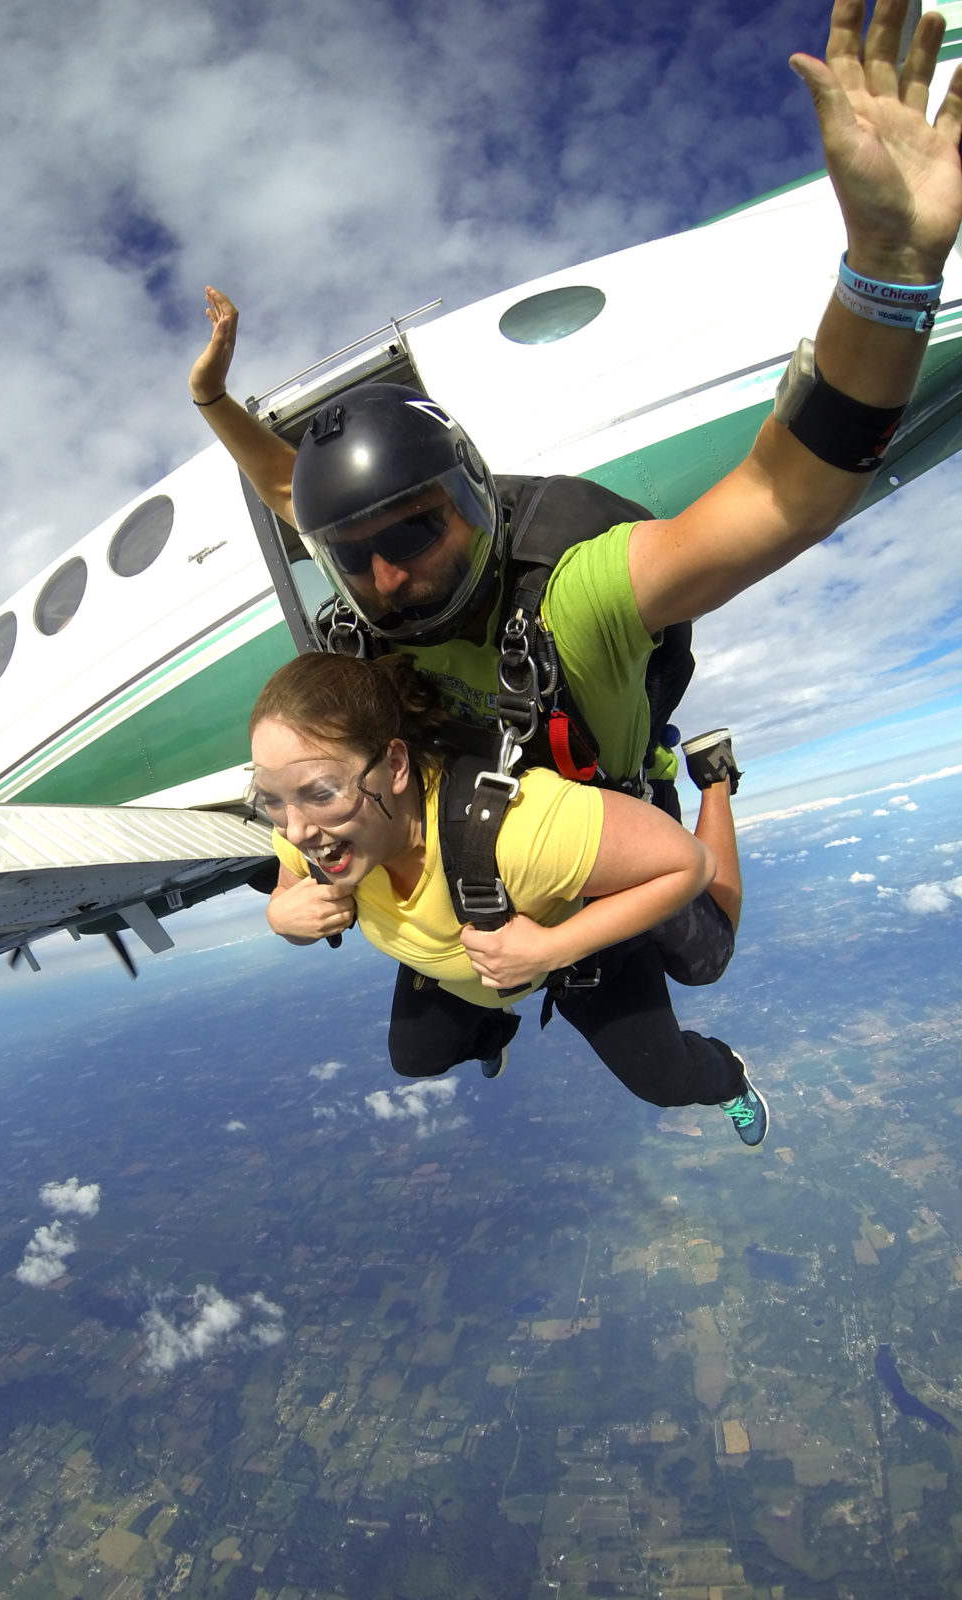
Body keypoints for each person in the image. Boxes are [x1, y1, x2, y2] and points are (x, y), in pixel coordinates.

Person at [197, 0, 962, 1141]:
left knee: (695, 972)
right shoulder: (362, 641)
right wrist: (216, 405)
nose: (394, 579)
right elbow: (294, 501)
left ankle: (712, 782)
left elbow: (782, 496)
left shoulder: (578, 593)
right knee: (425, 1047)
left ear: (475, 501)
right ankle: (500, 1000)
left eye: (420, 532)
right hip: (459, 859)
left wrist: (891, 272)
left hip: (596, 814)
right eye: (359, 560)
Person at [249, 651, 768, 1143]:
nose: (296, 831)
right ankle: (495, 1021)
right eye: (272, 800)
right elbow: (290, 879)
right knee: (416, 1056)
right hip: (476, 965)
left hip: (584, 954)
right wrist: (281, 913)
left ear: (397, 766)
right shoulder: (315, 834)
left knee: (675, 1056)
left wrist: (553, 949)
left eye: (321, 793)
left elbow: (691, 865)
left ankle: (713, 775)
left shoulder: (519, 831)